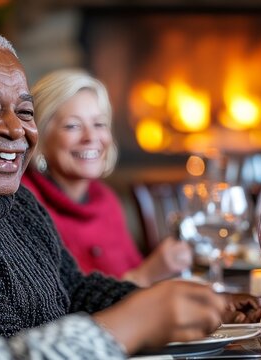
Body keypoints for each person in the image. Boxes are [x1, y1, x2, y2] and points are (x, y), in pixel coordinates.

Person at [0, 25, 261, 342]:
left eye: (25, 112)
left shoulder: (20, 205)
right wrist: (141, 318)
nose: (15, 129)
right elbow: (7, 348)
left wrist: (192, 302)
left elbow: (75, 289)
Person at [20, 69, 191, 287]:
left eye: (99, 124)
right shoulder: (25, 206)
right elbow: (59, 306)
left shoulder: (106, 200)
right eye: (72, 125)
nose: (91, 137)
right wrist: (145, 276)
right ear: (41, 137)